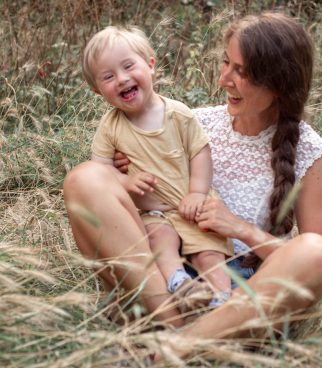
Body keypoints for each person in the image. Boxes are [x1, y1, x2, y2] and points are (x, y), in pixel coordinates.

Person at [63, 11, 322, 342]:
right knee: (85, 178)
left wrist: (241, 229)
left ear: (279, 83)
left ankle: (177, 347)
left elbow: (317, 273)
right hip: (161, 278)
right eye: (226, 63)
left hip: (239, 296)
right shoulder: (190, 121)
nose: (223, 80)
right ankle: (174, 326)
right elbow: (117, 200)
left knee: (317, 252)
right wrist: (128, 186)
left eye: (242, 72)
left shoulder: (311, 152)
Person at [80, 26, 234, 315]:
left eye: (128, 67)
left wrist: (198, 192)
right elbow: (99, 170)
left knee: (209, 253)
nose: (122, 79)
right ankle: (181, 285)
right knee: (158, 243)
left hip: (194, 206)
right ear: (97, 90)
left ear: (150, 65)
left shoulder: (177, 113)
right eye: (108, 76)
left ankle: (222, 300)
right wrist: (126, 180)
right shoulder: (110, 126)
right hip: (153, 214)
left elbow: (200, 151)